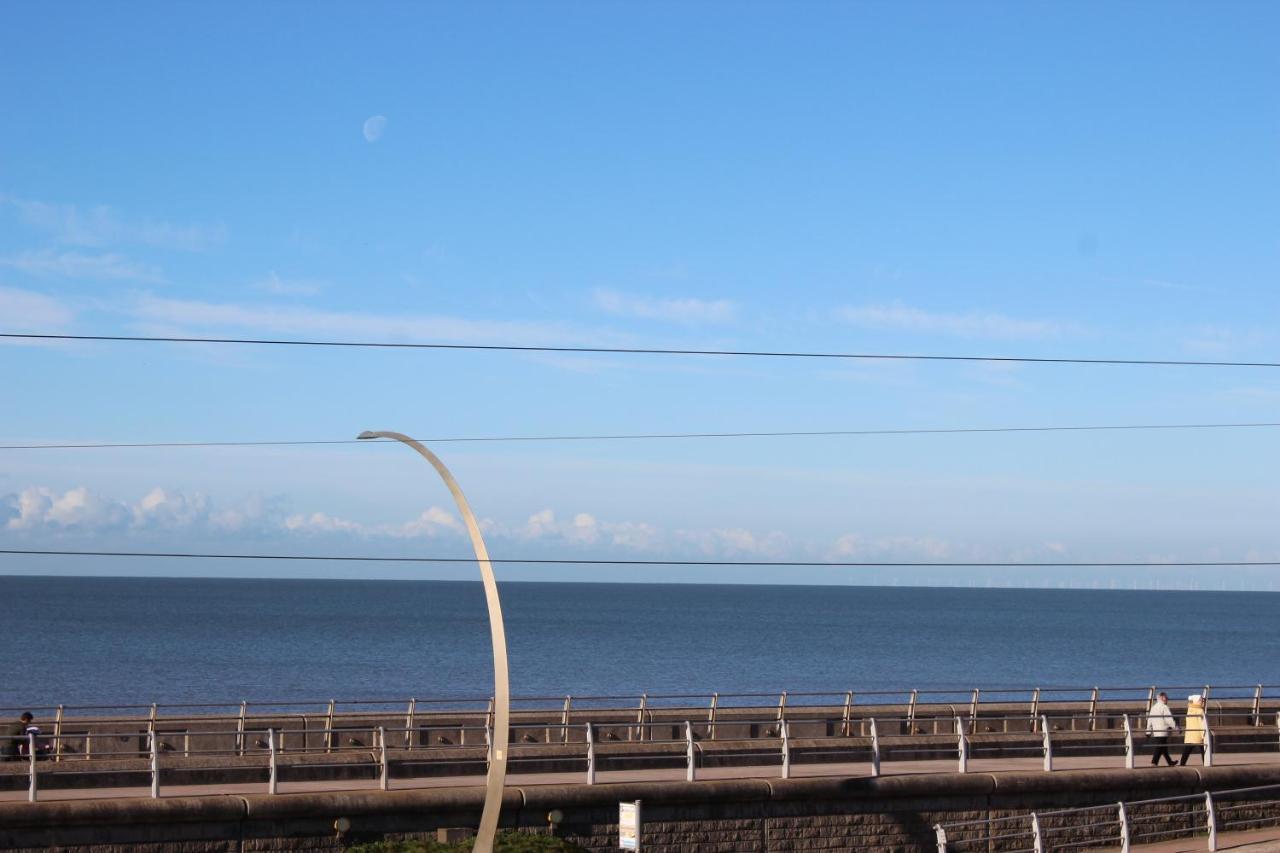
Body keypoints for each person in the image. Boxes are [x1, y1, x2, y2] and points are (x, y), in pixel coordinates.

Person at [1145, 692, 1178, 766]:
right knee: (1160, 747)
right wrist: (1176, 728)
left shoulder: (1153, 707)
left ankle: (1170, 762)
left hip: (1156, 731)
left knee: (1163, 747)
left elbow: (1150, 720)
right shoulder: (1164, 707)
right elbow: (1169, 720)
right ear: (1162, 698)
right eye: (1166, 698)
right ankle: (1154, 762)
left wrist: (1148, 731)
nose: (1167, 699)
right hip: (1163, 730)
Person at [1180, 694, 1207, 765]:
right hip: (1198, 733)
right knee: (1204, 749)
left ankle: (1182, 763)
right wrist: (1203, 734)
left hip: (1190, 733)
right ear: (1196, 702)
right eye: (1201, 700)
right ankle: (1206, 762)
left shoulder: (1190, 710)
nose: (1202, 701)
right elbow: (1201, 724)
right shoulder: (1200, 711)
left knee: (1187, 750)